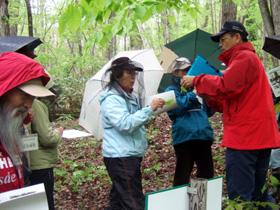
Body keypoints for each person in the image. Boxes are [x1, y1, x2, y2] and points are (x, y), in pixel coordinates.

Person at [180, 20, 280, 207]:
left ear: (237, 37)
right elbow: (230, 100)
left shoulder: (244, 58)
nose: (220, 44)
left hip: (246, 139)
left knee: (241, 196)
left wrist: (197, 79)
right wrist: (208, 98)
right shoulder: (244, 61)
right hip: (257, 136)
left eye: (223, 38)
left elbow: (226, 84)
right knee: (258, 194)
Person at [99, 57, 165, 210]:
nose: (133, 77)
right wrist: (149, 110)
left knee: (118, 200)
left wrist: (149, 113)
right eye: (129, 73)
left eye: (134, 74)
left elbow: (134, 121)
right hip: (121, 156)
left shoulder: (128, 97)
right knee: (133, 201)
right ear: (117, 75)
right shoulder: (112, 99)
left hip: (128, 154)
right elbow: (125, 124)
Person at [0, 52, 54, 193]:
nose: (28, 104)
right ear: (4, 90)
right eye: (24, 95)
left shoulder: (10, 132)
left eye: (33, 97)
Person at [165, 57, 215, 187]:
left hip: (203, 135)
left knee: (207, 174)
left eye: (189, 70)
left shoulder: (199, 87)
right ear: (175, 73)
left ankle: (202, 204)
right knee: (182, 175)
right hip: (184, 138)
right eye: (184, 71)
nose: (187, 73)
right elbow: (176, 109)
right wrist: (193, 94)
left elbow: (209, 112)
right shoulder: (170, 91)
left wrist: (208, 97)